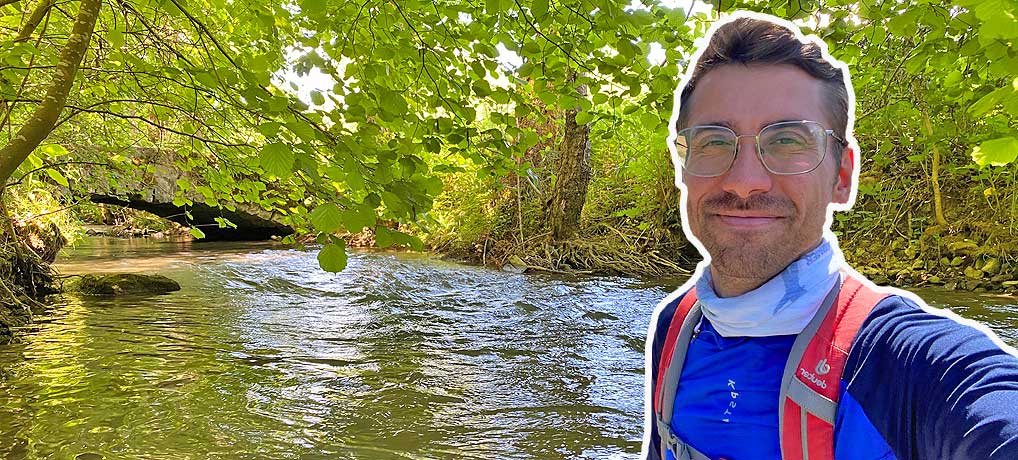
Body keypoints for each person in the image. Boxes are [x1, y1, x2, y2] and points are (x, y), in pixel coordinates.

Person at [644, 11, 1018, 460]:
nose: (744, 182)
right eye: (714, 141)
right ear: (683, 166)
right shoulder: (677, 329)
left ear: (842, 176)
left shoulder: (907, 364)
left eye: (786, 141)